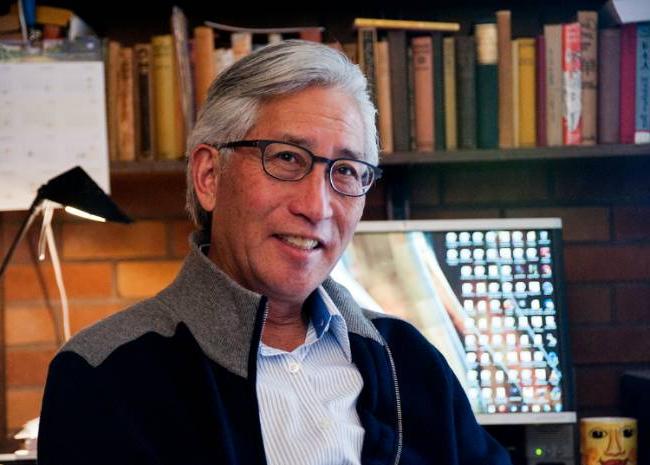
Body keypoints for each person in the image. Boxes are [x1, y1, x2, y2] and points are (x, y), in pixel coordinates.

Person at [38, 40, 512, 465]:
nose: (317, 206)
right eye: (286, 158)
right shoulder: (105, 374)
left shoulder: (409, 360)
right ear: (209, 175)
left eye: (346, 171)